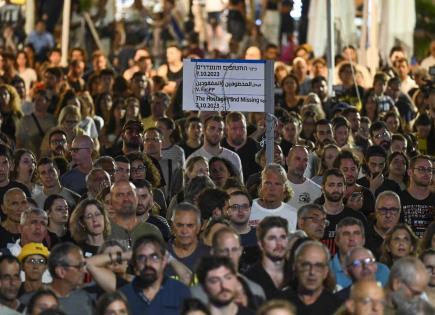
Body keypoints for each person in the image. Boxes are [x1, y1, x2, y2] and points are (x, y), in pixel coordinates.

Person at [119, 234, 191, 315]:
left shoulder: (180, 291)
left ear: (164, 261)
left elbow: (187, 275)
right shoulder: (124, 295)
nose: (148, 263)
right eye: (142, 258)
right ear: (135, 263)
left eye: (154, 257)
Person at [191, 227, 265, 305]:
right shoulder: (196, 294)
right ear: (213, 252)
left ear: (240, 251)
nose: (230, 256)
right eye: (224, 250)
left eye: (234, 250)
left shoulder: (255, 291)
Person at [275, 241, 341, 315]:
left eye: (318, 266)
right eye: (306, 265)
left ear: (326, 272)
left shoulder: (339, 308)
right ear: (295, 268)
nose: (312, 272)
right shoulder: (277, 303)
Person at [330, 218, 389, 291]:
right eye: (346, 234)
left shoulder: (382, 271)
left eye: (356, 233)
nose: (351, 238)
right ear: (337, 240)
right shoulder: (326, 270)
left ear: (363, 240)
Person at [319, 169, 368, 254]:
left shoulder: (357, 218)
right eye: (331, 185)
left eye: (339, 185)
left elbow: (365, 250)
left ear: (345, 188)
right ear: (322, 188)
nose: (335, 189)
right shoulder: (314, 217)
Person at [244, 216, 290, 299]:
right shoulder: (249, 280)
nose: (279, 243)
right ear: (261, 244)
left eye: (283, 237)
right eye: (272, 238)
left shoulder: (298, 274)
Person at [108, 180, 162, 249]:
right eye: (120, 195)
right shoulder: (104, 231)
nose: (126, 199)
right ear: (111, 201)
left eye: (130, 194)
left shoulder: (152, 231)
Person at [187, 116, 243, 182]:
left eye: (220, 129)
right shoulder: (193, 158)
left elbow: (240, 186)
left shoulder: (233, 157)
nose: (216, 133)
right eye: (212, 128)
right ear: (204, 130)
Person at [46, 242, 95, 315]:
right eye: (79, 266)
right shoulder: (36, 301)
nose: (84, 271)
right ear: (61, 272)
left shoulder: (86, 297)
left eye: (83, 265)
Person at [249, 164, 297, 233]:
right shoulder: (248, 208)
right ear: (261, 185)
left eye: (277, 184)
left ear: (284, 188)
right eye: (268, 183)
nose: (272, 188)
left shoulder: (292, 213)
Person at [167, 202, 210, 273]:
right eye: (180, 225)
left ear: (198, 227)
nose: (184, 231)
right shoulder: (161, 254)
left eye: (190, 225)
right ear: (173, 227)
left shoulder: (210, 255)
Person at [400, 154, 435, 237]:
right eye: (421, 169)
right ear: (410, 172)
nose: (426, 173)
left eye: (429, 170)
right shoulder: (398, 199)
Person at [333, 150, 375, 216]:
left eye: (353, 169)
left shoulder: (367, 195)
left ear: (357, 170)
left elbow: (370, 223)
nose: (350, 173)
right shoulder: (331, 195)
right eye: (345, 170)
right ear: (337, 171)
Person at [222, 111, 260, 180]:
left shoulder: (256, 147)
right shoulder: (220, 147)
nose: (239, 132)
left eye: (242, 128)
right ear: (227, 129)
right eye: (234, 129)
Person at [365, 191, 401, 260]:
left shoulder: (406, 237)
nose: (388, 215)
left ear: (399, 212)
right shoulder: (363, 236)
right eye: (383, 210)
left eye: (393, 210)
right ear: (375, 211)